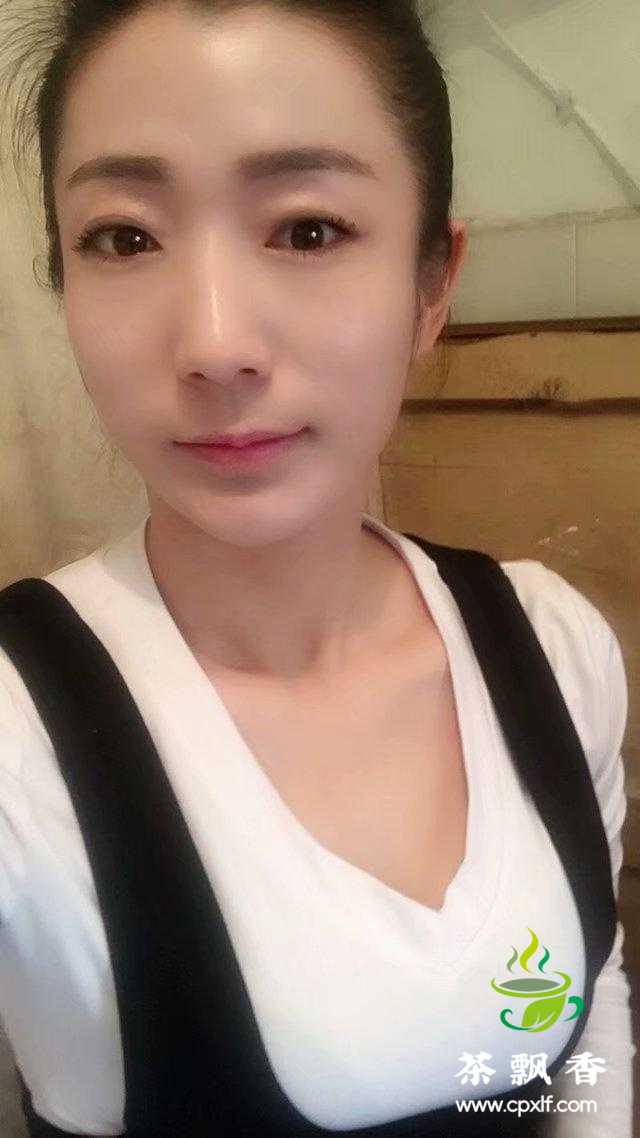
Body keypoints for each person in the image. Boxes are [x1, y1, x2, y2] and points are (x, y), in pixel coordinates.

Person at [0, 1, 634, 1135]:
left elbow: (589, 1019)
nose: (214, 344)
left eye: (306, 229)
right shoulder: (17, 732)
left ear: (432, 285)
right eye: (125, 238)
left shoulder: (549, 643)